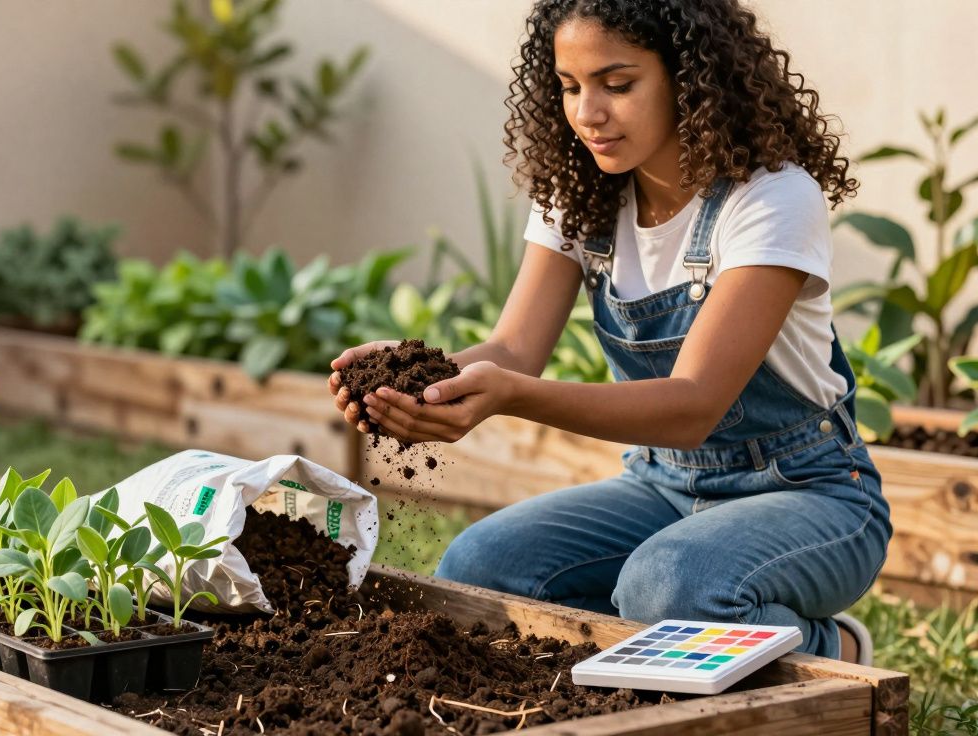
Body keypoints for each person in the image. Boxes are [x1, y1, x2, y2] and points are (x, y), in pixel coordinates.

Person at [327, 0, 891, 664]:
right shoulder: (580, 193)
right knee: (482, 565)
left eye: (617, 85)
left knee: (669, 587)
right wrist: (415, 376)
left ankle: (835, 650)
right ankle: (665, 642)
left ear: (689, 76)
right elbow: (513, 350)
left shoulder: (770, 198)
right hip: (661, 485)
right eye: (570, 87)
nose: (588, 112)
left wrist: (507, 395)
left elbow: (692, 404)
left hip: (808, 492)